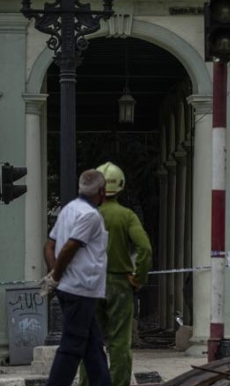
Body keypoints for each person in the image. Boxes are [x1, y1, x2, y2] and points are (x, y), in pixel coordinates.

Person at [75, 162, 152, 386]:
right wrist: (138, 278)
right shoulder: (126, 217)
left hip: (89, 284)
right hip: (119, 284)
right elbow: (144, 248)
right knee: (119, 341)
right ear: (121, 186)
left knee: (90, 340)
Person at [41, 170, 110, 386]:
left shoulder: (68, 210)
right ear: (101, 191)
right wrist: (57, 276)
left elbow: (50, 246)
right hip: (81, 288)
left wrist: (55, 275)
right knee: (73, 346)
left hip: (71, 288)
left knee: (93, 346)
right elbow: (70, 246)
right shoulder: (90, 216)